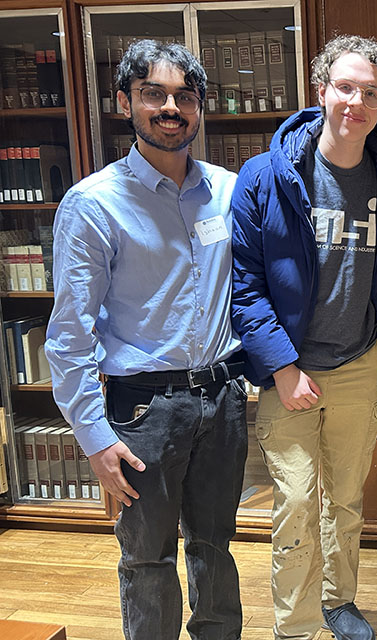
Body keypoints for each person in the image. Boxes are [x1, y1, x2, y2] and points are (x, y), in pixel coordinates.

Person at [45, 40, 247, 640]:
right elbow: (69, 335)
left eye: (184, 96)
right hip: (141, 411)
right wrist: (93, 437)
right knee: (148, 560)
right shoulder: (93, 204)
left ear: (201, 108)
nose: (170, 108)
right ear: (124, 102)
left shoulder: (232, 192)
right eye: (153, 94)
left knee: (216, 549)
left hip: (222, 401)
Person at [230, 34, 377, 640]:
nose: (355, 102)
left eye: (371, 93)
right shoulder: (265, 176)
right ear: (322, 89)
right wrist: (282, 367)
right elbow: (246, 285)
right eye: (345, 87)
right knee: (297, 505)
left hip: (359, 363)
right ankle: (297, 624)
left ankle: (341, 603)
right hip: (290, 370)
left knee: (347, 500)